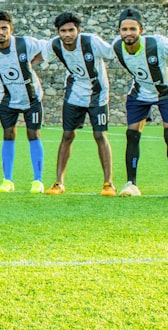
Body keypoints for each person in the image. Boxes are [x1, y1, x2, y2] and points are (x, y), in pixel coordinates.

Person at [0, 11, 50, 194]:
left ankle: (37, 180)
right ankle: (7, 180)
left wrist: (38, 60)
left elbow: (49, 47)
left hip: (32, 97)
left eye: (4, 28)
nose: (0, 32)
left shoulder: (25, 43)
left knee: (33, 134)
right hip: (6, 99)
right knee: (8, 134)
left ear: (11, 29)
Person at [111, 7, 168, 198]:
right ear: (119, 31)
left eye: (132, 29)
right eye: (124, 29)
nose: (128, 33)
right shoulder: (117, 47)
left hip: (166, 92)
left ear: (141, 30)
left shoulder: (157, 43)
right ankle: (131, 184)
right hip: (140, 93)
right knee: (131, 134)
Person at [43, 12, 116, 196]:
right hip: (74, 93)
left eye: (71, 30)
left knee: (100, 135)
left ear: (78, 30)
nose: (67, 34)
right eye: (63, 31)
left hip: (98, 93)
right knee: (67, 135)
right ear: (58, 32)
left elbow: (112, 52)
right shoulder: (54, 45)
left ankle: (108, 183)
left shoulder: (92, 42)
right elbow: (40, 57)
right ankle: (59, 182)